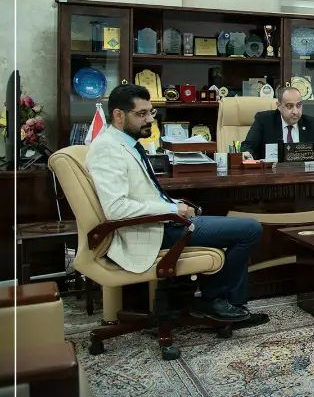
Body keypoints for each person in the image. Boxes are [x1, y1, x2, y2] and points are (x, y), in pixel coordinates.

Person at [86, 84, 266, 324]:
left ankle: (228, 305)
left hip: (161, 223)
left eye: (151, 112)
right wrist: (171, 209)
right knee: (250, 229)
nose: (150, 119)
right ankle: (213, 300)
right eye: (142, 114)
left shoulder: (125, 143)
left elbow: (141, 194)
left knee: (232, 225)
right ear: (118, 115)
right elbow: (117, 209)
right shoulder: (107, 148)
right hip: (148, 231)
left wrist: (174, 203)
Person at [241, 85, 314, 159]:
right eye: (290, 106)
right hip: (272, 176)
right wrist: (247, 154)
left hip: (304, 176)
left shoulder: (313, 124)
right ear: (279, 106)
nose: (295, 111)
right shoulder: (264, 121)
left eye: (298, 105)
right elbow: (248, 147)